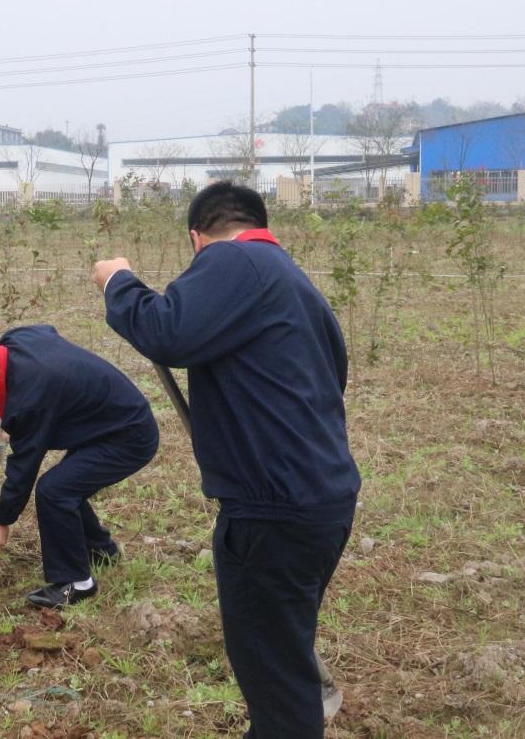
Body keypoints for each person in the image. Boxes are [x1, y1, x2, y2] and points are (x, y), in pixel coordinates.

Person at [91, 181, 360, 739]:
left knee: (278, 689)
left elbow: (166, 330)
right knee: (280, 664)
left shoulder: (234, 259)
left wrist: (119, 282)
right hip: (321, 498)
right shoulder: (294, 282)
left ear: (197, 239)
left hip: (272, 512)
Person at [0, 324, 158, 608]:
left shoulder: (28, 395)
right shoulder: (16, 341)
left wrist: (2, 521)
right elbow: (47, 331)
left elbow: (24, 468)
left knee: (54, 491)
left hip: (128, 435)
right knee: (66, 485)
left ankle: (77, 583)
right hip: (105, 422)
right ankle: (101, 551)